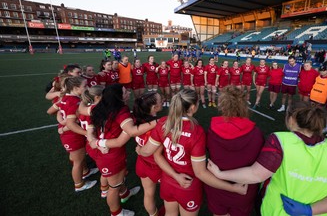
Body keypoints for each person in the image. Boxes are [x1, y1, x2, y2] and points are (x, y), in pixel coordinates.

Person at [208, 102, 327, 216]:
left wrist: (220, 173)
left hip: (275, 211)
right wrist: (309, 210)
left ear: (291, 120)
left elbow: (255, 175)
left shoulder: (280, 140)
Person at [137, 89, 247, 216]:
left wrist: (140, 150)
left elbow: (155, 155)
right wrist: (233, 188)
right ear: (193, 107)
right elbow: (200, 173)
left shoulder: (163, 122)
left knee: (170, 213)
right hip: (188, 186)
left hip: (168, 181)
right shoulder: (197, 132)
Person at [90, 84, 154, 216]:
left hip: (105, 152)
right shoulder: (121, 110)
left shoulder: (99, 107)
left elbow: (86, 116)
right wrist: (157, 122)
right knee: (113, 188)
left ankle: (125, 193)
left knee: (118, 179)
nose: (128, 93)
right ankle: (116, 213)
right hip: (110, 154)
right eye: (125, 92)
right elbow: (131, 131)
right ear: (118, 97)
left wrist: (93, 139)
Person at [206, 86, 264, 215]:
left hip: (218, 186)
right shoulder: (256, 134)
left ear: (222, 104)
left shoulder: (211, 131)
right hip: (244, 189)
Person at [54, 76, 98, 192]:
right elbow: (71, 124)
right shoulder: (74, 101)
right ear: (75, 88)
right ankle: (79, 184)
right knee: (77, 161)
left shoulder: (67, 97)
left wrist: (61, 124)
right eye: (84, 86)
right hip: (72, 136)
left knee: (79, 158)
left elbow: (58, 112)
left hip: (70, 134)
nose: (87, 88)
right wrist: (87, 134)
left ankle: (85, 172)